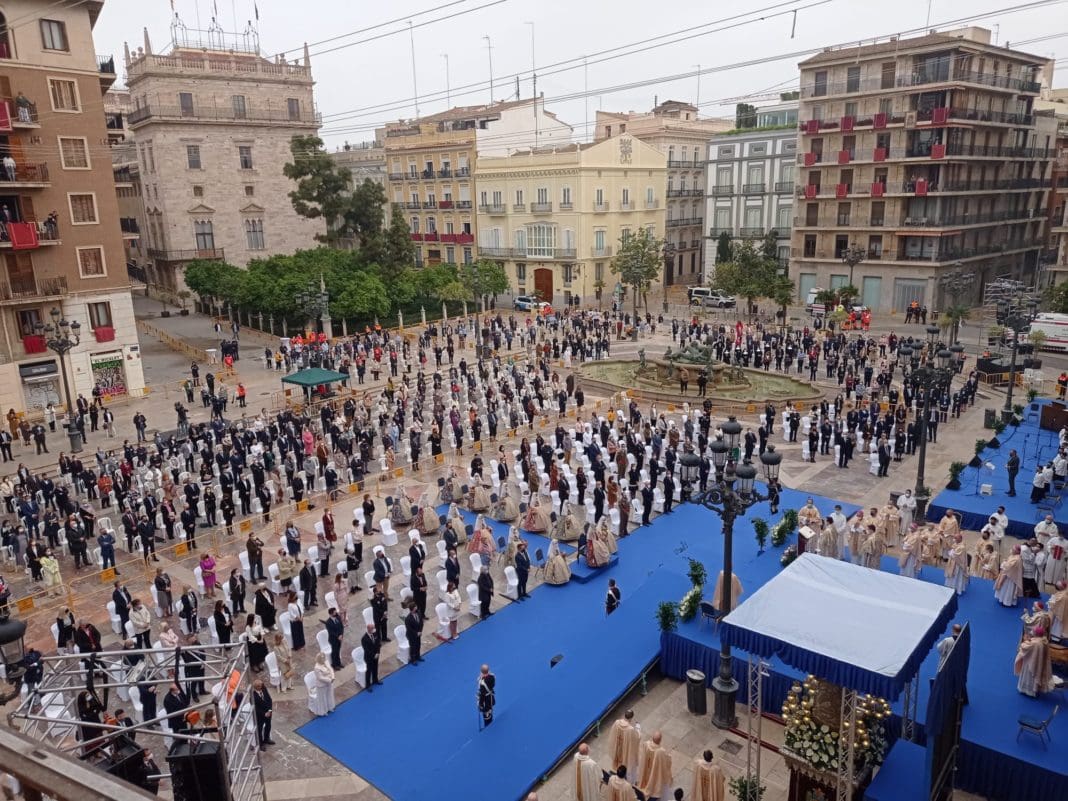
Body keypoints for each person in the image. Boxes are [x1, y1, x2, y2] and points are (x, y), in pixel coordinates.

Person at [1014, 628, 1055, 697]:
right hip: (1038, 663)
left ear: (1036, 634)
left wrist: (1025, 640)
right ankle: (1034, 690)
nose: (1032, 632)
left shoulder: (1034, 643)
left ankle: (1026, 690)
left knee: (1028, 676)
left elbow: (1024, 647)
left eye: (1034, 632)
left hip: (1030, 663)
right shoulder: (1044, 641)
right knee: (1035, 676)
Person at [637, 731, 673, 801]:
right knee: (657, 780)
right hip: (655, 772)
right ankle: (652, 791)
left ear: (652, 738)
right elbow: (667, 762)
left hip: (646, 769)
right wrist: (669, 757)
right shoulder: (661, 751)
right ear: (660, 740)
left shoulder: (646, 744)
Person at [608, 709, 642, 779]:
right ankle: (623, 775)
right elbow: (637, 738)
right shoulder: (630, 729)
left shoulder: (617, 722)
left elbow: (612, 735)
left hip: (617, 748)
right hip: (625, 751)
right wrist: (638, 728)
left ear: (624, 715)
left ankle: (617, 772)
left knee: (617, 762)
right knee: (625, 761)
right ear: (631, 718)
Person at [251, 679, 275, 749]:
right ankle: (260, 744)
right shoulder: (253, 697)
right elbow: (255, 709)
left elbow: (269, 700)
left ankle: (267, 739)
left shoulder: (264, 689)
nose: (262, 686)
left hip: (269, 712)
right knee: (259, 729)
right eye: (261, 686)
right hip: (260, 716)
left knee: (268, 726)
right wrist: (264, 714)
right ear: (257, 687)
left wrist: (270, 710)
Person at [361, 623, 382, 690]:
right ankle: (368, 685)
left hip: (376, 655)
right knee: (369, 671)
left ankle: (375, 680)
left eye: (373, 628)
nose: (373, 629)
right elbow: (367, 650)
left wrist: (378, 652)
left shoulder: (375, 634)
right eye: (372, 628)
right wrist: (374, 655)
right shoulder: (364, 638)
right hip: (369, 657)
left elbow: (378, 644)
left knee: (375, 668)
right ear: (368, 629)